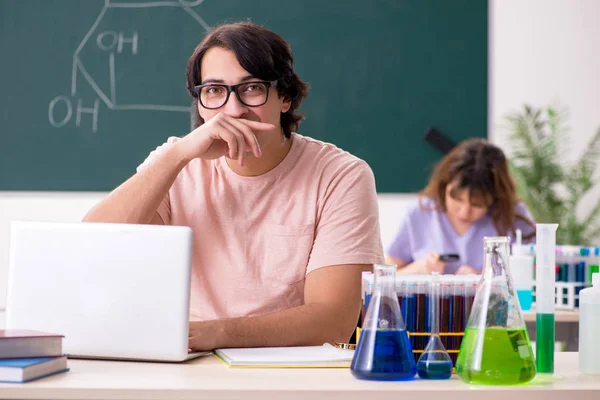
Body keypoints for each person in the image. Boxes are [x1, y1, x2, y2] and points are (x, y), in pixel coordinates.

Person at [83, 22, 384, 351]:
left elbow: (334, 322)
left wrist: (215, 334)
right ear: (200, 104)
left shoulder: (341, 175)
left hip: (293, 368)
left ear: (285, 97)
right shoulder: (175, 162)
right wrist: (178, 155)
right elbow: (93, 248)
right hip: (192, 364)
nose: (233, 109)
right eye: (213, 91)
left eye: (252, 88)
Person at [386, 138, 535, 275]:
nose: (464, 212)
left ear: (495, 198)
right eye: (456, 198)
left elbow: (537, 275)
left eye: (478, 204)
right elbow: (387, 277)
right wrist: (418, 269)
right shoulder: (420, 212)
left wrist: (485, 280)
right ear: (445, 184)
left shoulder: (513, 216)